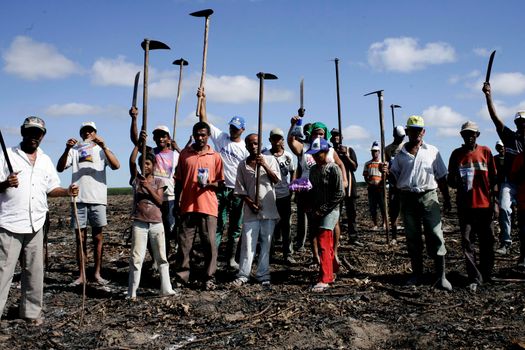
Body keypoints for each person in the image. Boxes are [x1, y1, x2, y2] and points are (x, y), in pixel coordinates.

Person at [0, 116, 79, 325]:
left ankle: (31, 313)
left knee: (34, 272)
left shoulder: (45, 159)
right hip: (10, 222)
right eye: (30, 132)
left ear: (43, 136)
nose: (33, 136)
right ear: (22, 132)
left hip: (36, 222)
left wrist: (67, 191)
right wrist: (5, 183)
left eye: (38, 133)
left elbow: (51, 188)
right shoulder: (7, 155)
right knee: (3, 272)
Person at [383, 115, 453, 291]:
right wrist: (387, 171)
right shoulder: (400, 155)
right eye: (412, 131)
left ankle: (441, 276)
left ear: (424, 132)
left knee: (436, 234)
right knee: (412, 237)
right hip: (407, 198)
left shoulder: (433, 151)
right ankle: (417, 274)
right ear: (407, 132)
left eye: (419, 130)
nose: (416, 134)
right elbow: (395, 178)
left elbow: (442, 177)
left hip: (429, 196)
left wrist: (447, 199)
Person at [56, 121, 120, 286]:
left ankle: (97, 273)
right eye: (84, 131)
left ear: (95, 133)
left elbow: (116, 166)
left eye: (90, 131)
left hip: (97, 198)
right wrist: (66, 149)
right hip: (78, 198)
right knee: (80, 238)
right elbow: (60, 168)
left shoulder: (101, 150)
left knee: (98, 237)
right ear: (81, 133)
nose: (87, 134)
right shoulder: (75, 150)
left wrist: (104, 146)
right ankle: (82, 274)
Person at [198, 89, 248, 270]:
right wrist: (203, 99)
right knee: (218, 224)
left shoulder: (245, 147)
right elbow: (203, 120)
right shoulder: (222, 138)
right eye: (231, 127)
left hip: (237, 190)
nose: (232, 130)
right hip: (220, 188)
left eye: (236, 128)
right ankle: (214, 258)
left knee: (236, 226)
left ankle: (231, 259)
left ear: (242, 129)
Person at [287, 118, 347, 266]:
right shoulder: (305, 147)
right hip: (307, 189)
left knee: (334, 221)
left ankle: (334, 252)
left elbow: (340, 164)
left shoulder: (330, 150)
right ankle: (316, 256)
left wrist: (344, 180)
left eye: (321, 134)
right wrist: (293, 125)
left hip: (327, 189)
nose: (318, 137)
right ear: (310, 134)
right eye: (315, 133)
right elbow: (290, 142)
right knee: (312, 223)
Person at [447, 121, 497, 291]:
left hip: (485, 205)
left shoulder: (486, 152)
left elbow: (494, 180)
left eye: (472, 134)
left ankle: (486, 273)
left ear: (477, 135)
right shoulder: (456, 155)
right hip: (465, 206)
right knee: (467, 242)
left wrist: (495, 203)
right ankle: (474, 277)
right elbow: (450, 180)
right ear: (462, 136)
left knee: (487, 241)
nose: (469, 137)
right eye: (466, 134)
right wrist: (457, 181)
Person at [174, 121, 224, 290]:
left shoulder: (215, 156)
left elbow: (221, 184)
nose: (200, 138)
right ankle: (182, 276)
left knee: (209, 244)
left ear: (208, 136)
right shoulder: (184, 155)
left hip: (208, 206)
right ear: (193, 135)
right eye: (197, 135)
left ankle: (209, 276)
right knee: (184, 244)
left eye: (203, 135)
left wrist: (209, 184)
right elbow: (178, 181)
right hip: (187, 206)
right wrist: (176, 202)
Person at [129, 107, 180, 259]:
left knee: (170, 230)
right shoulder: (151, 153)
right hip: (152, 196)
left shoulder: (176, 155)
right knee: (155, 229)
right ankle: (155, 259)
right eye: (157, 136)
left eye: (163, 136)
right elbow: (135, 141)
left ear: (168, 137)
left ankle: (167, 256)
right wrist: (134, 119)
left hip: (169, 196)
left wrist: (177, 147)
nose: (160, 139)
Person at [128, 144, 177, 299]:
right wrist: (137, 145)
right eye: (143, 164)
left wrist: (148, 187)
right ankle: (132, 292)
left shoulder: (158, 182)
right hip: (139, 223)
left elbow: (159, 201)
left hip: (156, 223)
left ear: (154, 165)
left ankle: (166, 289)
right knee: (137, 258)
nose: (145, 166)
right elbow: (131, 161)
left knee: (161, 257)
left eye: (148, 163)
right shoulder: (136, 179)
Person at [232, 134, 281, 286]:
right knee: (248, 244)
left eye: (256, 144)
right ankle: (244, 274)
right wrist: (250, 203)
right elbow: (240, 189)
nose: (253, 147)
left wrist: (264, 165)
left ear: (260, 144)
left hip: (268, 209)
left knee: (266, 243)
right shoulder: (242, 164)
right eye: (250, 144)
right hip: (250, 212)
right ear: (246, 146)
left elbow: (276, 180)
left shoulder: (271, 159)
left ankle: (263, 274)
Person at [482, 83, 524, 255]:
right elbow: (494, 118)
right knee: (505, 208)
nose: (522, 125)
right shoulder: (509, 137)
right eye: (520, 123)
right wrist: (488, 96)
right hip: (509, 183)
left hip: (524, 185)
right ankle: (506, 242)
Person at [305, 138, 344, 292]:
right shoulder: (313, 170)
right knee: (320, 239)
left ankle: (325, 278)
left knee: (323, 240)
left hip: (331, 210)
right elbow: (312, 190)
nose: (315, 157)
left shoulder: (334, 168)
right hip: (317, 209)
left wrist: (324, 208)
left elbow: (339, 193)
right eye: (313, 154)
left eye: (318, 154)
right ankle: (332, 267)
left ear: (326, 152)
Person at [262, 128, 296, 265]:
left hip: (285, 195)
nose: (277, 141)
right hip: (270, 195)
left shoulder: (288, 156)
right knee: (270, 225)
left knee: (286, 225)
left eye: (279, 138)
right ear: (270, 140)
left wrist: (292, 185)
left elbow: (293, 170)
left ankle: (288, 253)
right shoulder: (265, 155)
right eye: (274, 138)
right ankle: (269, 253)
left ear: (282, 140)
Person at [330, 128, 361, 247]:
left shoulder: (349, 150)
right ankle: (335, 238)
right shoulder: (330, 151)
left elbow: (354, 167)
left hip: (350, 186)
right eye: (334, 136)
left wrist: (346, 156)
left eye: (338, 135)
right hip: (335, 187)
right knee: (335, 213)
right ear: (331, 138)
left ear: (342, 137)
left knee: (351, 213)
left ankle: (353, 237)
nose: (336, 138)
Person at [385, 125, 406, 242]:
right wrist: (385, 170)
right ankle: (394, 237)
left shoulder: (406, 147)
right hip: (393, 185)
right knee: (394, 212)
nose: (401, 139)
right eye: (399, 137)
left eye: (402, 137)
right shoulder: (388, 149)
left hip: (406, 184)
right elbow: (386, 164)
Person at [363, 141, 386, 231]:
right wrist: (369, 183)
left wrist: (381, 183)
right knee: (373, 207)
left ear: (379, 152)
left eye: (376, 151)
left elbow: (385, 175)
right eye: (373, 151)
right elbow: (365, 176)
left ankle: (384, 223)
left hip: (380, 188)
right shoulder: (367, 164)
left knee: (383, 206)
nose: (374, 153)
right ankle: (375, 224)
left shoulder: (382, 163)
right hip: (371, 188)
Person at [510, 148, 525, 268]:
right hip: (523, 202)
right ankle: (523, 257)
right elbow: (514, 177)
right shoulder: (520, 158)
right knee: (523, 232)